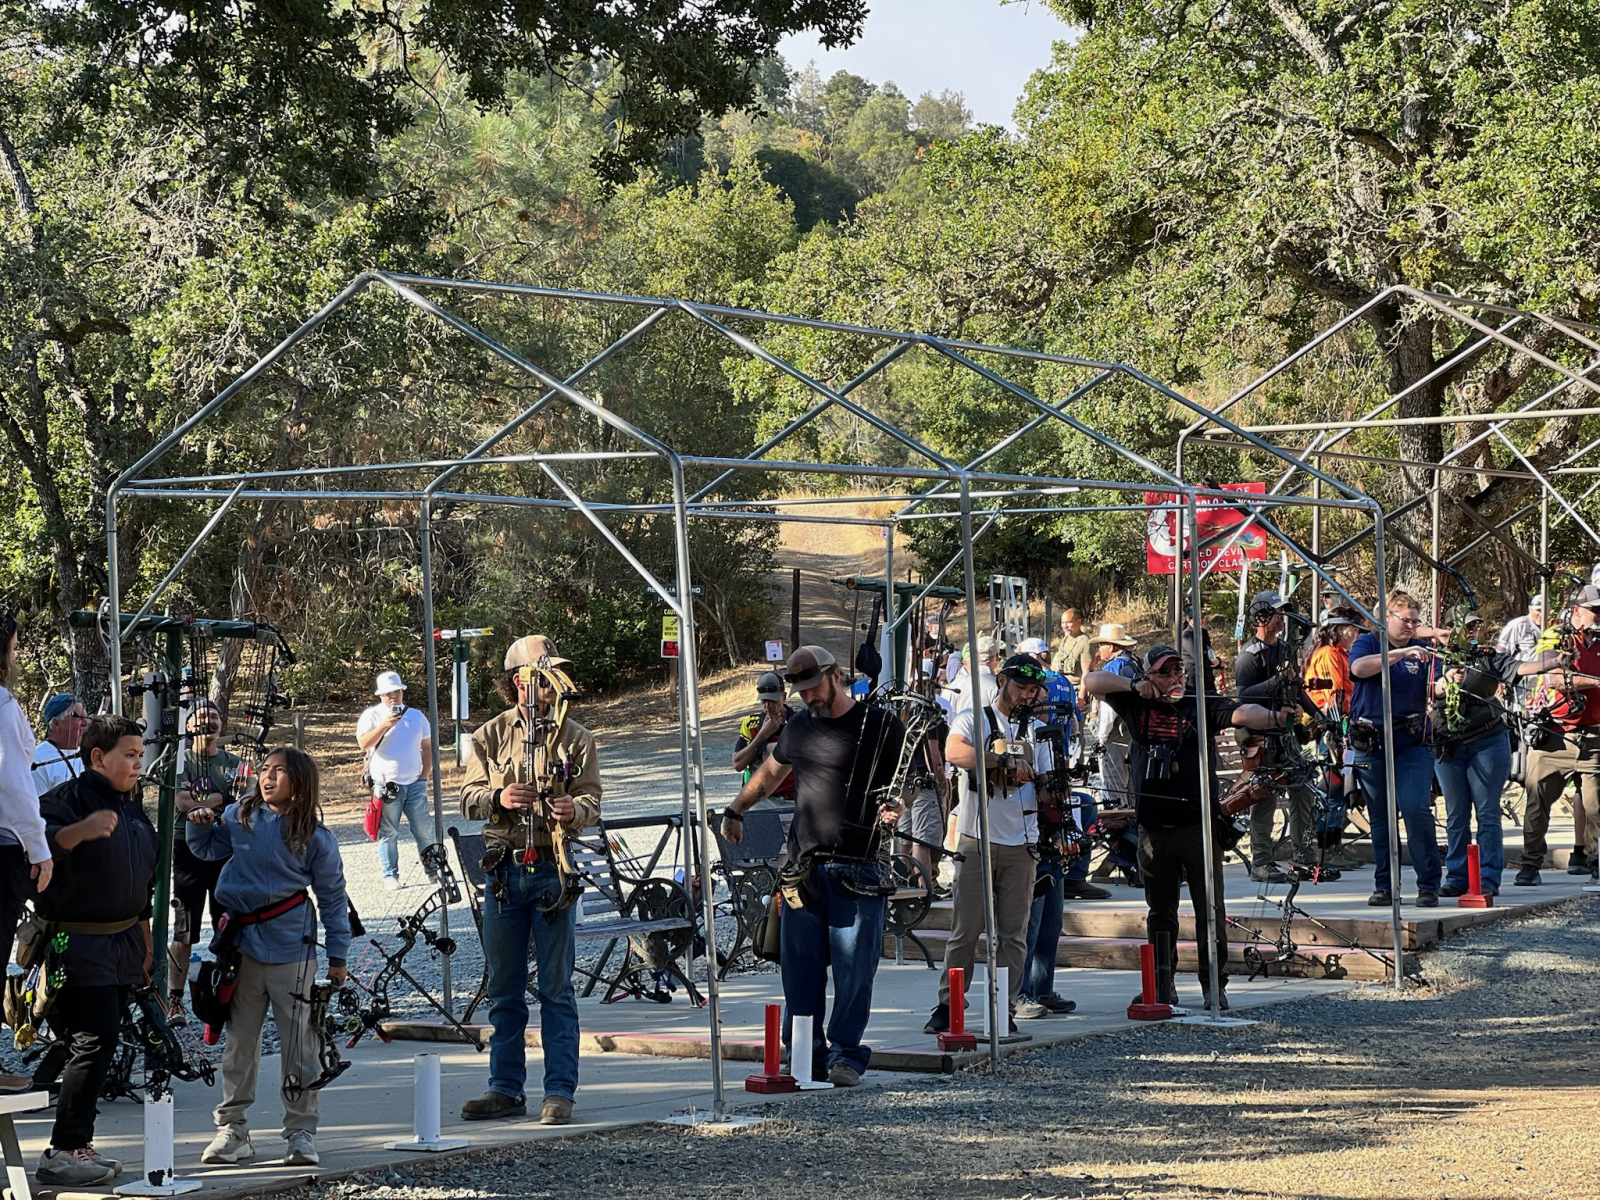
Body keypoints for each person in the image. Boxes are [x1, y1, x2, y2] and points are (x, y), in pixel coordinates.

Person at [721, 645, 905, 1087]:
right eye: (801, 691)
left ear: (835, 675)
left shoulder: (881, 724)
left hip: (859, 866)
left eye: (814, 687)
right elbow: (770, 773)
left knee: (854, 972)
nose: (808, 697)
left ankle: (846, 1055)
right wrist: (735, 809)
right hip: (803, 868)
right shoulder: (799, 727)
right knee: (799, 971)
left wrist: (900, 805)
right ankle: (804, 1054)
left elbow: (908, 780)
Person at [1085, 645, 1292, 1009]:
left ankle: (1214, 985)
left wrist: (1276, 717)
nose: (1174, 678)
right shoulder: (1135, 702)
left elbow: (1241, 712)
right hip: (1153, 827)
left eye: (1178, 670)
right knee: (1160, 912)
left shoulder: (1199, 703)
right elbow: (1091, 681)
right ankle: (1163, 985)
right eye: (1165, 672)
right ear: (1149, 676)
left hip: (1198, 825)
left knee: (1209, 909)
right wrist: (1134, 686)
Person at [459, 634, 601, 1125]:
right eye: (544, 677)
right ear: (519, 681)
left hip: (552, 869)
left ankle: (559, 1090)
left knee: (556, 989)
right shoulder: (490, 735)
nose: (553, 686)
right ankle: (505, 1087)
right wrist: (498, 798)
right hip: (504, 872)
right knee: (504, 988)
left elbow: (592, 799)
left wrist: (573, 809)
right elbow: (467, 798)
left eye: (556, 677)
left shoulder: (576, 737)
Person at [187, 747, 349, 1168]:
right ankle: (232, 1129)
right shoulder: (239, 816)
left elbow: (333, 899)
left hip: (293, 949)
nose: (268, 777)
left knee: (299, 1044)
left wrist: (338, 955)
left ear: (300, 781)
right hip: (241, 948)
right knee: (240, 1042)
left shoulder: (315, 836)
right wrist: (198, 825)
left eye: (279, 771)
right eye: (264, 769)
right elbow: (207, 850)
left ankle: (301, 1131)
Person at [34, 713, 155, 1188]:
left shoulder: (132, 809)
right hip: (75, 942)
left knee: (97, 1042)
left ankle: (75, 1144)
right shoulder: (64, 801)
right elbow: (38, 850)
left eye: (141, 755)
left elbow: (143, 885)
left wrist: (146, 944)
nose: (138, 764)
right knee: (93, 1040)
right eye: (130, 755)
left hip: (122, 944)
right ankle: (65, 1149)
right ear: (98, 757)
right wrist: (79, 832)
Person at [924, 655, 1051, 1035]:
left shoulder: (1039, 730)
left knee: (1014, 934)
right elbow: (954, 751)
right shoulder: (973, 719)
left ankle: (1004, 1007)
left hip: (1022, 843)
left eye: (1033, 690)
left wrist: (1049, 786)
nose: (1026, 695)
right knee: (966, 930)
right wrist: (1000, 761)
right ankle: (949, 1004)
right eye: (1021, 687)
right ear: (1001, 682)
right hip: (976, 838)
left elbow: (1048, 786)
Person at [1431, 618, 1548, 898]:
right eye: (1464, 626)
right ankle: (1457, 877)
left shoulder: (1487, 657)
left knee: (1487, 812)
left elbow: (1520, 667)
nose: (1471, 631)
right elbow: (1427, 688)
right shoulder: (1433, 658)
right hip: (1448, 745)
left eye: (1474, 627)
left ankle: (1488, 879)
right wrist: (1445, 681)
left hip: (1487, 741)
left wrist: (1553, 662)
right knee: (1456, 814)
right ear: (1448, 629)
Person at [1348, 590, 1443, 907]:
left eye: (1416, 622)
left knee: (1415, 808)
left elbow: (1438, 686)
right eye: (1406, 620)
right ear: (1386, 617)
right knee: (1381, 816)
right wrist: (1400, 654)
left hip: (1411, 741)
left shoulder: (1424, 651)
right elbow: (1358, 669)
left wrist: (1450, 681)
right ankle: (1385, 884)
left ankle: (1428, 884)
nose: (1412, 627)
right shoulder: (1368, 642)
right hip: (1371, 740)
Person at [1233, 591, 1323, 883]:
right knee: (1264, 798)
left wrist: (1318, 715)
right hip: (1261, 738)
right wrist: (1277, 681)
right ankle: (1261, 863)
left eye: (1284, 611)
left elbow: (1296, 687)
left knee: (1304, 790)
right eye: (1276, 612)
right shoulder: (1249, 656)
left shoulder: (1285, 649)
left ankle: (1303, 859)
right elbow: (1243, 696)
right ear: (1261, 616)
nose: (1282, 618)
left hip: (1287, 736)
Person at [1517, 586, 1600, 886]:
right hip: (1555, 734)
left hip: (1594, 736)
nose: (1599, 616)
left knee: (1595, 804)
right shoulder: (1556, 635)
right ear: (1577, 610)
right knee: (1537, 800)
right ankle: (1530, 863)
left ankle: (1595, 861)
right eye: (1594, 610)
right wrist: (1596, 682)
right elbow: (1554, 678)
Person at [1018, 636, 1109, 902]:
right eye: (1043, 700)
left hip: (1054, 779)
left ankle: (1074, 877)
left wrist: (1066, 777)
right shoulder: (1024, 729)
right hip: (1029, 806)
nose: (1049, 707)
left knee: (1085, 803)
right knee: (1076, 805)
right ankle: (1064, 870)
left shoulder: (1048, 723)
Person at [167, 701, 241, 1008]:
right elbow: (183, 802)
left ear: (221, 724)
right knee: (185, 925)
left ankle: (227, 996)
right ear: (188, 726)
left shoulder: (234, 762)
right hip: (186, 847)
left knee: (228, 922)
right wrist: (221, 797)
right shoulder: (179, 761)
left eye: (214, 716)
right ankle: (175, 998)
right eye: (200, 717)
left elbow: (244, 800)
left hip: (225, 847)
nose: (208, 721)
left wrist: (210, 801)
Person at [0, 612, 52, 975]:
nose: (16, 656)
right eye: (14, 647)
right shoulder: (4, 706)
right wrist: (38, 848)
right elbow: (12, 782)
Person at [356, 671, 435, 891]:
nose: (393, 696)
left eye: (397, 691)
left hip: (415, 783)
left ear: (402, 692)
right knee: (388, 831)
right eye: (388, 693)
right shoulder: (372, 715)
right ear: (380, 695)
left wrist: (425, 775)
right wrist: (384, 725)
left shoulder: (416, 716)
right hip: (386, 785)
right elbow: (363, 744)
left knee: (424, 830)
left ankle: (433, 871)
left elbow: (427, 747)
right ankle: (390, 874)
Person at [1088, 623, 1139, 811]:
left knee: (1114, 784)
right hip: (1133, 732)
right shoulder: (1134, 663)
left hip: (1116, 734)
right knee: (1132, 784)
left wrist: (1102, 735)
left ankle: (1120, 821)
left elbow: (1110, 706)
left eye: (1101, 644)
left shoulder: (1113, 667)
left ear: (1111, 646)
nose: (1099, 649)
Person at [732, 671, 797, 811]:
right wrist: (761, 736)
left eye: (773, 700)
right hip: (761, 798)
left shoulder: (798, 722)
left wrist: (770, 748)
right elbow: (738, 764)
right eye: (764, 701)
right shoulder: (751, 724)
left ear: (783, 697)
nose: (768, 706)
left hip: (794, 797)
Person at [31, 694, 87, 795]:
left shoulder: (89, 757)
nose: (85, 723)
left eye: (85, 717)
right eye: (77, 717)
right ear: (56, 723)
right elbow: (36, 803)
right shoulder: (38, 760)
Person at [1051, 609, 1093, 687]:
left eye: (1069, 622)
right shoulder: (1065, 639)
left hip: (1075, 688)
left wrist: (1081, 694)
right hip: (1061, 686)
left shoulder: (1085, 642)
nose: (1065, 626)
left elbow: (1087, 673)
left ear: (1079, 622)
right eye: (1063, 623)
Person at [1495, 596, 1544, 662]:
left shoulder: (1551, 628)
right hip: (1521, 666)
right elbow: (1500, 652)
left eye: (1544, 611)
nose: (1541, 614)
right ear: (1530, 609)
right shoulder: (1517, 625)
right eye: (1538, 610)